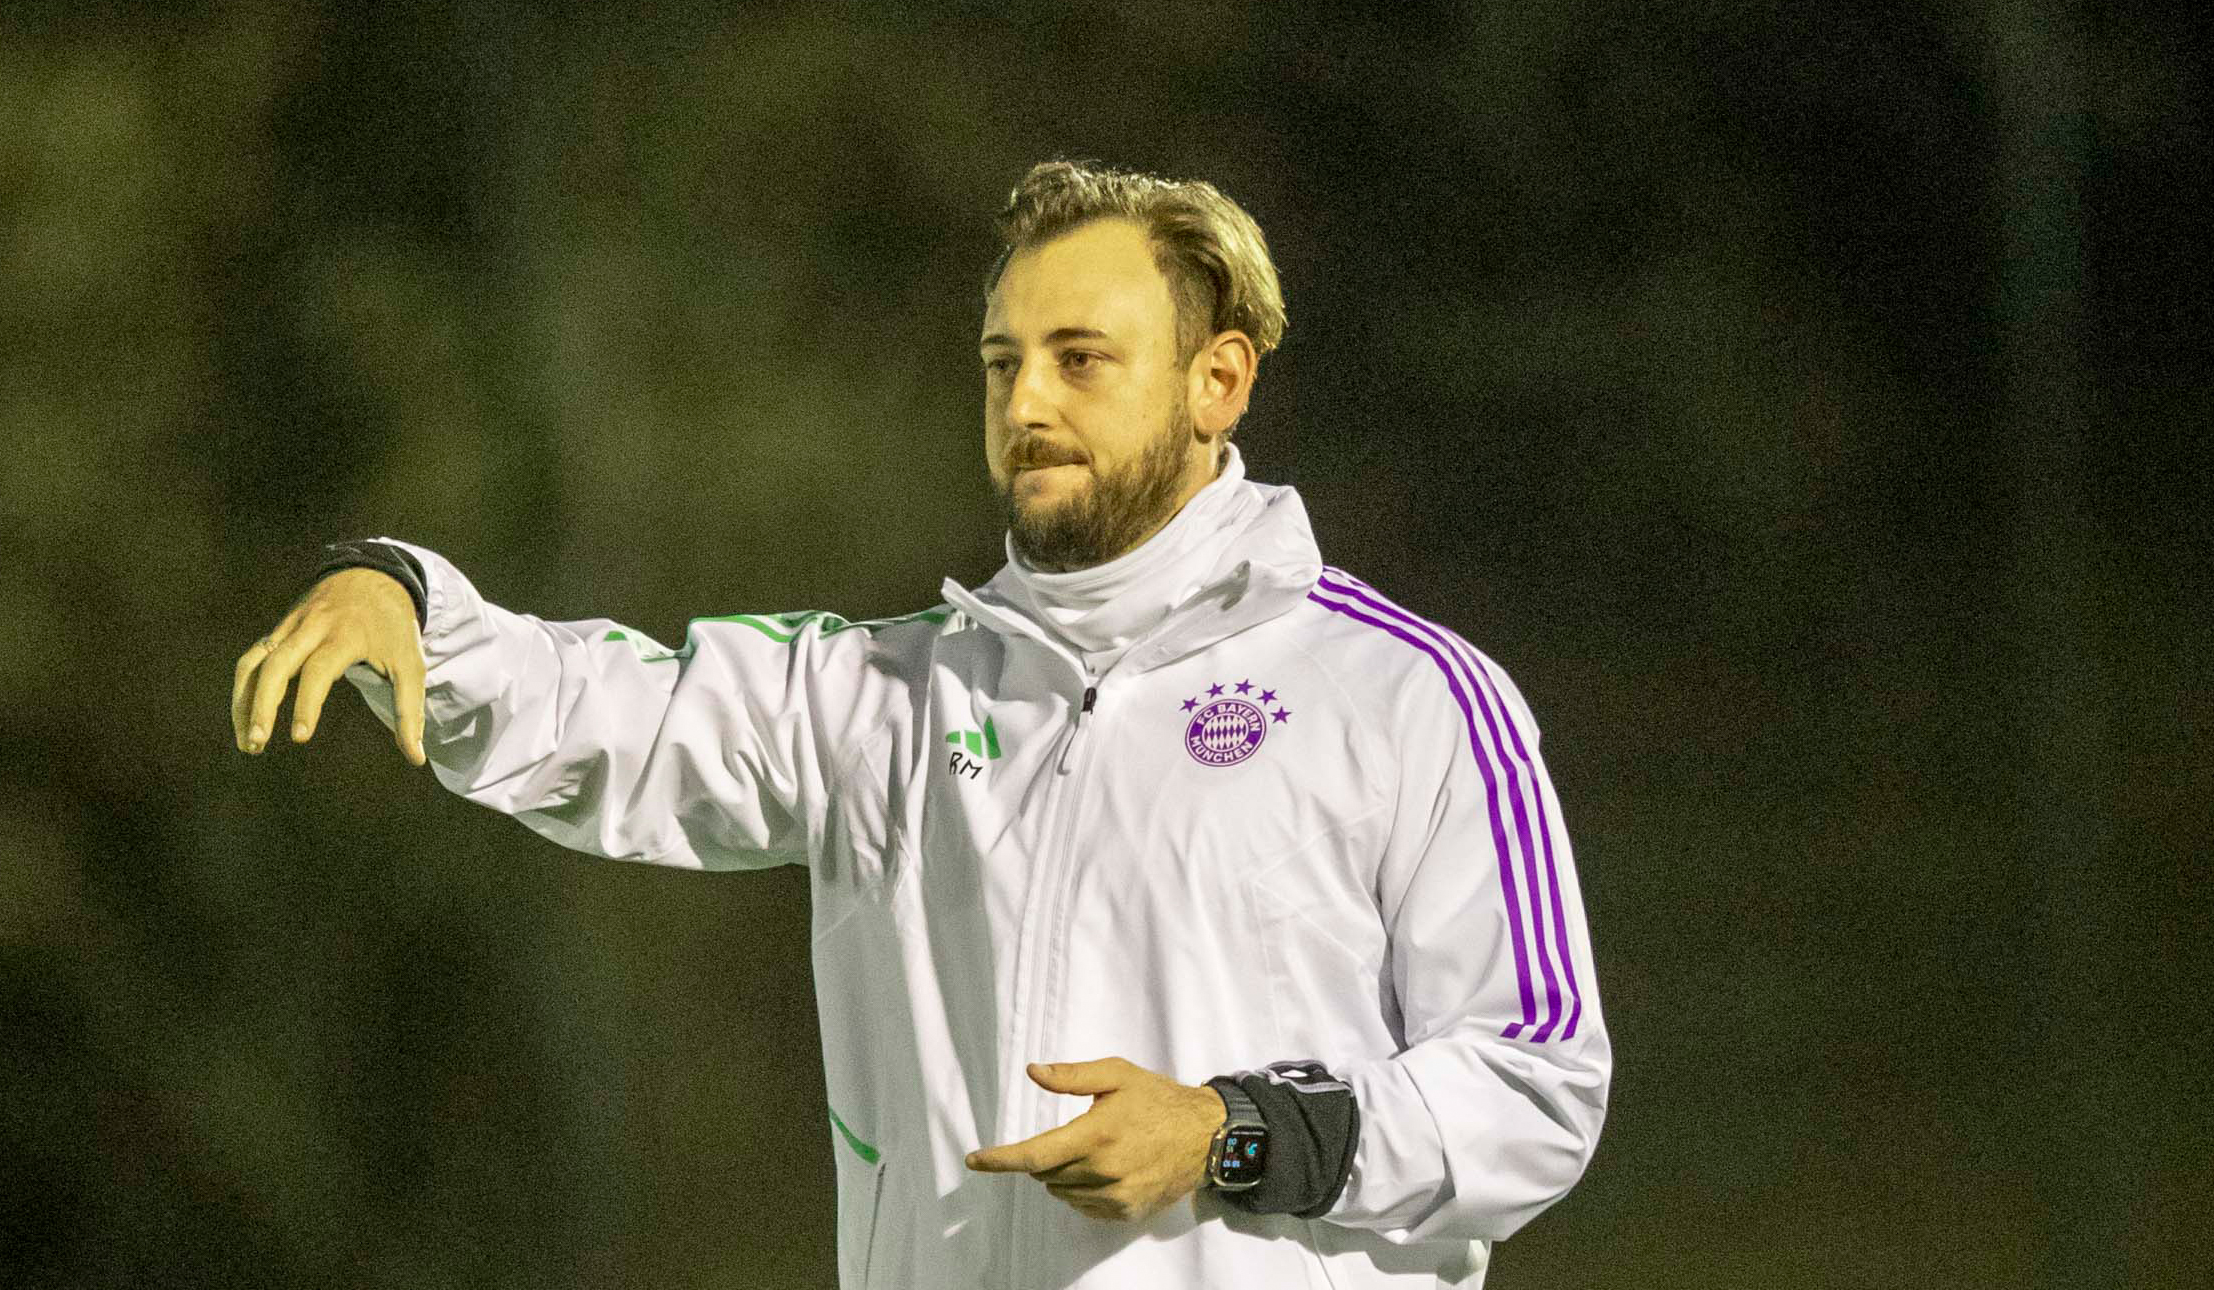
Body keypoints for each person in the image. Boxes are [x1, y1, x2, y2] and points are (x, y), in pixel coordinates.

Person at [230, 160, 1610, 1289]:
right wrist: (407, 599)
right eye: (1002, 360)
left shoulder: (1409, 697)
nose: (1025, 403)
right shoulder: (886, 696)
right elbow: (612, 711)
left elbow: (1538, 1079)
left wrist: (1235, 1133)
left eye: (1081, 359)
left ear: (1218, 381)